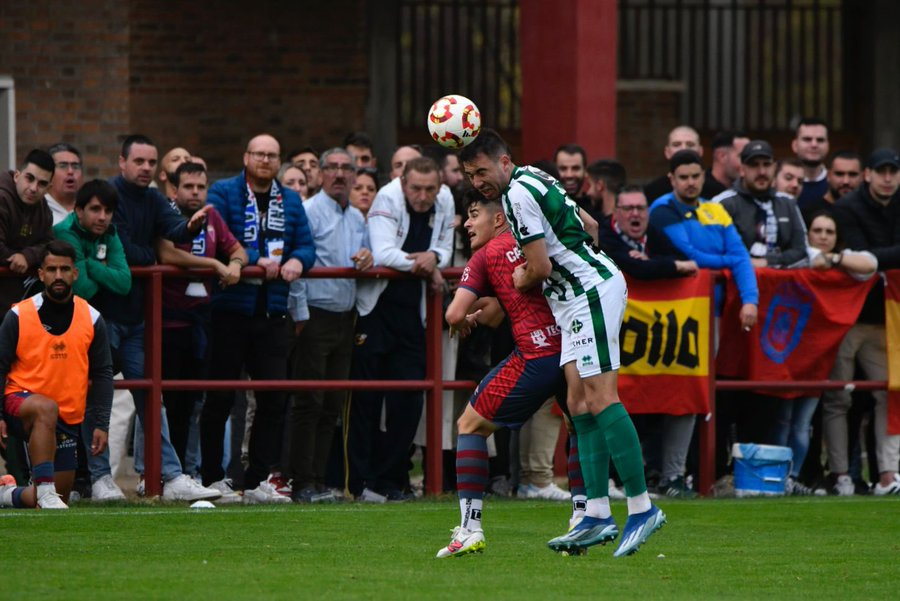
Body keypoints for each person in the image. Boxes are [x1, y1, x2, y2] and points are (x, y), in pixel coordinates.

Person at [460, 129, 665, 558]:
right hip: (577, 297)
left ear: (502, 161)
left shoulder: (515, 195)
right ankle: (594, 514)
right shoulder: (536, 175)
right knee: (577, 403)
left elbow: (537, 265)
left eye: (481, 171)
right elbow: (589, 224)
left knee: (602, 398)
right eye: (469, 174)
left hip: (588, 293)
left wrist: (525, 278)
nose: (477, 182)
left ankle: (642, 508)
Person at [436, 190, 576, 557]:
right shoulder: (533, 242)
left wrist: (463, 317)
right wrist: (481, 314)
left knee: (469, 425)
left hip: (535, 355)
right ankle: (584, 520)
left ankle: (470, 529)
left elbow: (452, 315)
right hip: (573, 348)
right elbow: (500, 311)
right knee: (581, 429)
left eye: (473, 214)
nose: (466, 223)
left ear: (498, 219)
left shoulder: (484, 256)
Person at [202, 133, 316, 503]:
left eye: (272, 155)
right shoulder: (223, 191)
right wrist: (252, 258)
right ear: (246, 156)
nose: (266, 161)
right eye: (259, 154)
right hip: (230, 309)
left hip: (273, 312)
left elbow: (306, 244)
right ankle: (212, 476)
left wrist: (298, 260)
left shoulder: (291, 198)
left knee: (274, 397)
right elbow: (218, 236)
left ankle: (257, 480)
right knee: (219, 396)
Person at [109, 134, 220, 502]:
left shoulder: (154, 199)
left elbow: (171, 229)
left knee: (150, 398)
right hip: (103, 315)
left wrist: (190, 228)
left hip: (137, 318)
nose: (145, 168)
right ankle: (87, 477)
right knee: (92, 398)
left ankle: (169, 476)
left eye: (150, 162)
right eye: (138, 161)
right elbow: (124, 250)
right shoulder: (110, 196)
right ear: (122, 162)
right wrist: (152, 253)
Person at [348, 157, 454, 501]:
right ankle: (360, 483)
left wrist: (434, 260)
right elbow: (382, 253)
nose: (422, 196)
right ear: (403, 183)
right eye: (416, 189)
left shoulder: (446, 198)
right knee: (366, 400)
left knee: (409, 401)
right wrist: (427, 264)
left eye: (429, 189)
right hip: (376, 310)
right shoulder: (387, 198)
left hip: (414, 314)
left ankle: (390, 481)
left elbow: (445, 249)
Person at [597, 185, 699, 498]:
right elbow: (635, 267)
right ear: (616, 213)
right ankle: (611, 478)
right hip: (612, 335)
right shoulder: (604, 233)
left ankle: (669, 477)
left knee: (677, 397)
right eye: (628, 209)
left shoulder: (653, 233)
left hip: (655, 338)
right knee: (610, 400)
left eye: (640, 208)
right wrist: (662, 267)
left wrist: (658, 264)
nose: (635, 214)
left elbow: (688, 261)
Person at [155, 161, 247, 498]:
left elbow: (239, 249)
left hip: (202, 322)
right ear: (175, 189)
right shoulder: (164, 214)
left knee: (195, 401)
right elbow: (167, 254)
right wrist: (214, 264)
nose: (195, 193)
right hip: (168, 321)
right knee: (167, 401)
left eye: (201, 187)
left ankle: (190, 473)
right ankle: (163, 475)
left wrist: (234, 263)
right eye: (189, 187)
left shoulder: (212, 216)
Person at [287, 147, 373, 503]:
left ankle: (319, 480)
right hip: (316, 314)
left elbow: (368, 257)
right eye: (332, 168)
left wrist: (369, 257)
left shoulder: (357, 218)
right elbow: (298, 262)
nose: (339, 175)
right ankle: (301, 481)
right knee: (309, 400)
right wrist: (301, 313)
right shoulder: (308, 212)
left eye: (346, 169)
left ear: (355, 175)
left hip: (344, 316)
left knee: (332, 403)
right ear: (319, 174)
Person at [0, 241, 113, 510]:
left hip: (66, 416)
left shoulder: (92, 317)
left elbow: (104, 373)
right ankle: (46, 490)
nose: (58, 276)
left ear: (75, 273)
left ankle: (7, 494)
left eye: (64, 269)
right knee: (45, 408)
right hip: (21, 403)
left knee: (53, 500)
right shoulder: (18, 314)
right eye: (52, 269)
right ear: (41, 274)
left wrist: (101, 423)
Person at [773, 210, 877, 496]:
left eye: (829, 232)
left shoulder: (840, 262)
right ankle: (776, 478)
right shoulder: (798, 255)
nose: (822, 236)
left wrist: (834, 259)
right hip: (787, 354)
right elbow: (809, 259)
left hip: (818, 358)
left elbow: (871, 263)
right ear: (807, 234)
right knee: (782, 419)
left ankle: (792, 477)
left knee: (802, 424)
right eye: (817, 230)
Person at [826, 148, 900, 496]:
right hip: (846, 316)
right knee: (838, 397)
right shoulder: (846, 209)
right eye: (881, 171)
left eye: (893, 172)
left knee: (891, 393)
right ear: (868, 174)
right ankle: (841, 473)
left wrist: (870, 258)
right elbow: (857, 257)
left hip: (886, 319)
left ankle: (889, 473)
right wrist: (868, 259)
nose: (888, 178)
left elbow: (866, 260)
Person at [53, 179, 131, 502]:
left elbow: (124, 281)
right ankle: (54, 479)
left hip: (90, 327)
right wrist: (100, 270)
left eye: (108, 211)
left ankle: (97, 477)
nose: (102, 217)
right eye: (95, 209)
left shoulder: (109, 235)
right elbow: (79, 288)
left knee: (101, 391)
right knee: (60, 400)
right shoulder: (64, 233)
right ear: (78, 210)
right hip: (56, 327)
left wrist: (91, 268)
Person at [715, 140, 808, 269]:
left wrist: (768, 262)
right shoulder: (722, 204)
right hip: (737, 283)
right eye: (754, 165)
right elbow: (713, 250)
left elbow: (802, 251)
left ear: (774, 168)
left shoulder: (787, 203)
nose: (762, 172)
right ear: (742, 169)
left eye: (767, 164)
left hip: (783, 285)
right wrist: (746, 262)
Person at [0, 149, 55, 315]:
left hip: (15, 305)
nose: (33, 188)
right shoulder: (2, 198)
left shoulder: (44, 210)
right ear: (17, 176)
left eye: (42, 184)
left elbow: (49, 245)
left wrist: (27, 256)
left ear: (49, 188)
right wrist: (16, 258)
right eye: (29, 178)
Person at [800, 151, 863, 224]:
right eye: (839, 174)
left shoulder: (869, 212)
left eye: (852, 175)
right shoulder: (808, 214)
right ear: (828, 175)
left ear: (862, 176)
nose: (846, 181)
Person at [643, 125, 703, 203]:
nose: (683, 149)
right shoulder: (652, 192)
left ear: (700, 151)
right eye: (677, 145)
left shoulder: (713, 191)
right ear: (667, 152)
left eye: (690, 145)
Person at [792, 117, 830, 209]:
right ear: (795, 145)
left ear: (828, 146)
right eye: (807, 139)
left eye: (820, 140)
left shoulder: (836, 183)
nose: (814, 145)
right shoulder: (781, 184)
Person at [45, 143, 85, 225]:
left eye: (75, 166)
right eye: (63, 166)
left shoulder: (91, 210)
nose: (70, 171)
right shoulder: (39, 209)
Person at [703, 131, 750, 199]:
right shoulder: (699, 191)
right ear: (722, 156)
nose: (749, 164)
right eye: (742, 156)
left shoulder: (748, 193)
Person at [581, 159, 626, 223]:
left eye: (589, 185)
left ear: (600, 186)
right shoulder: (627, 223)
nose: (588, 193)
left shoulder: (596, 226)